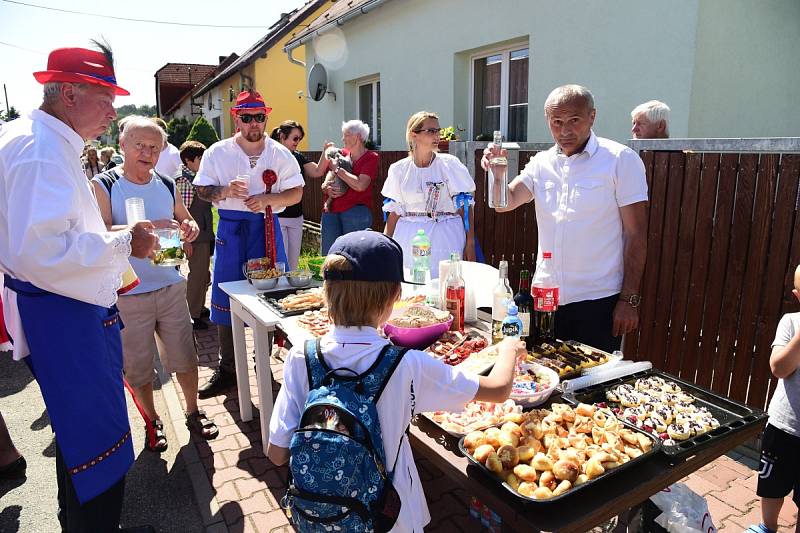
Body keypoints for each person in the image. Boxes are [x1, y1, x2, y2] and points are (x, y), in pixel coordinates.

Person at [267, 230, 526, 532]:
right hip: (391, 516)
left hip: (323, 517)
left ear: (326, 293)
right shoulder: (407, 364)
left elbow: (277, 453)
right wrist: (509, 347)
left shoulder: (302, 356)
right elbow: (498, 390)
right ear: (394, 298)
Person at [0, 42, 158, 532]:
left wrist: (110, 241)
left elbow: (58, 236)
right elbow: (42, 253)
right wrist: (123, 244)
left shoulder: (40, 140)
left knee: (79, 439)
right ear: (67, 93)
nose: (114, 111)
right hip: (62, 313)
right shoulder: (40, 152)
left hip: (61, 308)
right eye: (104, 96)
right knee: (97, 440)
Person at [483, 85, 648, 353]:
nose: (565, 131)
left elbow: (636, 233)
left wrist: (629, 300)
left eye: (574, 120)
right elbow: (505, 203)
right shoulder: (542, 162)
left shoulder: (619, 160)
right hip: (546, 295)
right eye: (556, 122)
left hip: (598, 299)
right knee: (543, 373)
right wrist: (498, 173)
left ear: (592, 117)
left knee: (592, 384)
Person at [93, 116, 218, 452]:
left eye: (154, 147)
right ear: (123, 145)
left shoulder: (165, 182)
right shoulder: (104, 184)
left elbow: (184, 216)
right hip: (129, 292)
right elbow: (98, 233)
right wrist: (137, 230)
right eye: (140, 145)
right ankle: (152, 420)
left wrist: (189, 227)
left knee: (186, 358)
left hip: (170, 284)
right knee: (138, 367)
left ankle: (193, 411)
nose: (147, 153)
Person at [194, 90, 303, 398]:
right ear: (236, 119)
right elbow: (202, 190)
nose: (254, 124)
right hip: (230, 228)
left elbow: (295, 192)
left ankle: (262, 365)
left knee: (267, 296)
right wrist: (225, 190)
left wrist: (270, 199)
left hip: (267, 229)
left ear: (266, 118)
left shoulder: (279, 152)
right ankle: (227, 368)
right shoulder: (218, 152)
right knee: (226, 296)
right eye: (247, 118)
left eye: (260, 117)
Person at [382, 111, 476, 278]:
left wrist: (470, 243)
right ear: (414, 135)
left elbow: (464, 208)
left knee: (446, 283)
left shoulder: (449, 165)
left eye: (438, 130)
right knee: (411, 285)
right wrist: (384, 245)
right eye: (431, 131)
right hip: (409, 237)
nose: (437, 135)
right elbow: (394, 212)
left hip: (446, 235)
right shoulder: (399, 169)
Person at [746, 265, 800, 533]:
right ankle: (768, 526)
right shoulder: (791, 323)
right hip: (784, 425)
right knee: (772, 484)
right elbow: (779, 368)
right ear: (797, 295)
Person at [270, 120, 332, 270]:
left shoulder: (298, 157)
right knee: (280, 260)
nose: (297, 142)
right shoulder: (271, 157)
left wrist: (325, 151)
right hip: (278, 216)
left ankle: (291, 290)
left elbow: (317, 171)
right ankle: (280, 290)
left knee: (293, 262)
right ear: (282, 137)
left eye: (299, 139)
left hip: (296, 217)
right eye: (295, 138)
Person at [319, 120, 379, 255]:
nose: (342, 138)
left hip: (356, 213)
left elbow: (360, 185)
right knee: (329, 256)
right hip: (331, 211)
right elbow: (328, 177)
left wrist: (338, 169)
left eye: (346, 135)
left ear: (357, 137)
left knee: (354, 255)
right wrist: (325, 187)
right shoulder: (342, 153)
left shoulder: (371, 157)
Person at [175, 140, 213, 330]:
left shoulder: (197, 178)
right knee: (197, 275)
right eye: (200, 158)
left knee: (204, 274)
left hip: (204, 234)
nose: (204, 162)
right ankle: (191, 314)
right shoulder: (184, 181)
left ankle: (198, 306)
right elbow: (181, 214)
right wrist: (185, 241)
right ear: (188, 160)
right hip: (195, 237)